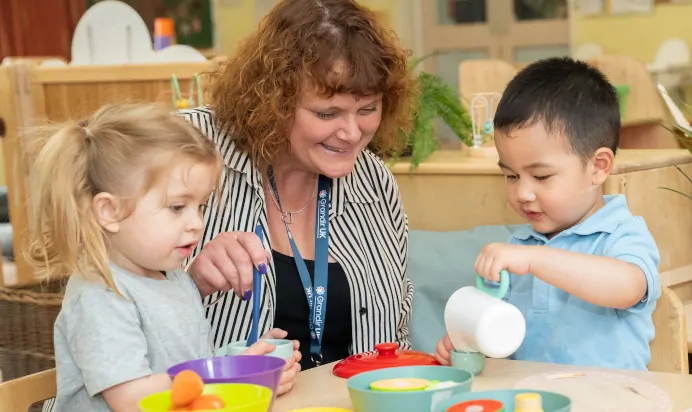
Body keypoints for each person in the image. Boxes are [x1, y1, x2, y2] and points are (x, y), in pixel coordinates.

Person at [181, 0, 415, 370]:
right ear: (273, 101)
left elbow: (395, 337)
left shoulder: (373, 180)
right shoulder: (187, 148)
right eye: (327, 113)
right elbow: (110, 301)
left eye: (368, 109)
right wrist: (190, 282)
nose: (352, 133)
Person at [26, 103, 300, 412]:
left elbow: (185, 369)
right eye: (177, 207)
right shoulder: (100, 295)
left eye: (201, 207)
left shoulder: (172, 278)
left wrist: (241, 361)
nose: (197, 223)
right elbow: (132, 399)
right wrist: (228, 377)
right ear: (109, 212)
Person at [435, 57, 661, 370]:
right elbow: (500, 332)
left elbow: (627, 287)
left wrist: (536, 261)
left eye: (541, 177)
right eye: (511, 176)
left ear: (598, 167)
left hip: (613, 398)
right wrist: (469, 342)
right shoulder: (520, 244)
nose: (522, 193)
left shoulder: (622, 233)